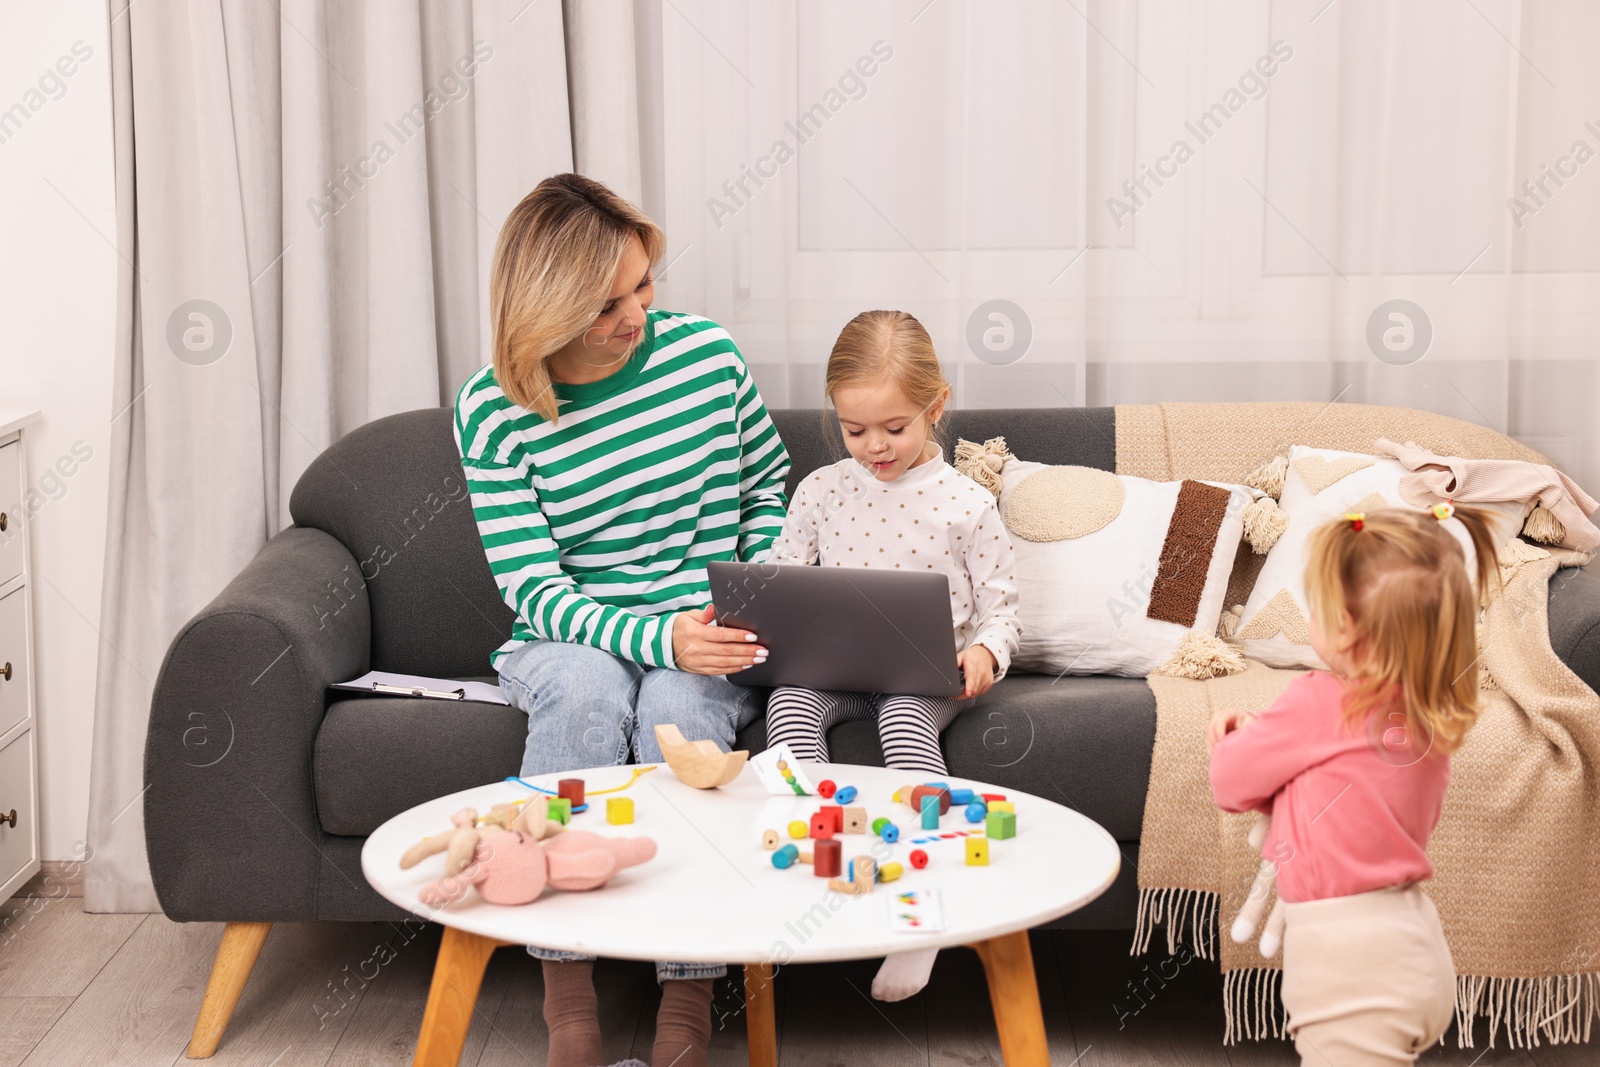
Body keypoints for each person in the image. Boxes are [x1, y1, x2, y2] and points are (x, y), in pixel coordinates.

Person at [454, 173, 790, 1067]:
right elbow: (532, 586)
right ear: (549, 306)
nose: (637, 313)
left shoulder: (707, 357)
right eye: (607, 303)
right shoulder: (492, 407)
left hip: (704, 625)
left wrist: (742, 591)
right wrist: (655, 635)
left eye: (644, 285)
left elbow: (769, 487)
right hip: (570, 634)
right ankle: (570, 1008)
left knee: (677, 710)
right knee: (586, 689)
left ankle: (685, 1011)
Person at [764, 309, 1022, 1001]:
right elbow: (782, 576)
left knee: (903, 718)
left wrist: (986, 655)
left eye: (895, 427)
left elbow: (1003, 608)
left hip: (927, 674)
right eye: (854, 430)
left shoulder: (966, 503)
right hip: (840, 670)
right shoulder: (821, 490)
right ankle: (829, 859)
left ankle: (925, 912)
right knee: (788, 703)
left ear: (935, 406)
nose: (874, 446)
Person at [1208, 504, 1499, 1065]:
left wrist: (1233, 740)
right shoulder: (1425, 723)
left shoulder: (1316, 700)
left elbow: (1232, 783)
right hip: (1418, 949)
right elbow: (1350, 786)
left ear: (1346, 627)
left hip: (1349, 967)